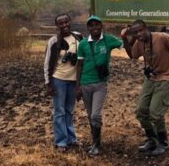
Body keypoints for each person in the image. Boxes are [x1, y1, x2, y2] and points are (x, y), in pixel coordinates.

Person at [121, 20, 169, 156]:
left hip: (167, 76)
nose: (139, 34)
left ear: (146, 28)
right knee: (141, 111)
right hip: (151, 77)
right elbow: (132, 56)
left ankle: (163, 143)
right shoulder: (139, 42)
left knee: (155, 113)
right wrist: (124, 38)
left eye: (140, 31)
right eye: (135, 32)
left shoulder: (161, 37)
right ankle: (152, 139)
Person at [76, 15, 123, 156]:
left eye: (97, 25)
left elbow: (124, 44)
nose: (94, 28)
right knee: (91, 115)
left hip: (100, 84)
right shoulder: (83, 44)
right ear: (88, 28)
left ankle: (96, 145)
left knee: (96, 114)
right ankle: (96, 142)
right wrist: (77, 86)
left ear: (101, 26)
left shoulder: (108, 40)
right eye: (91, 25)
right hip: (85, 83)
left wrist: (126, 34)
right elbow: (79, 65)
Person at [44, 13, 83, 152]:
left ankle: (71, 139)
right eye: (61, 23)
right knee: (59, 111)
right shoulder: (54, 41)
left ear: (70, 22)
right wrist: (48, 83)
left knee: (69, 111)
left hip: (73, 81)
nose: (64, 25)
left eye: (66, 22)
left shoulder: (78, 37)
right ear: (57, 25)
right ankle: (61, 142)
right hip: (58, 79)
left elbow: (83, 60)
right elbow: (48, 62)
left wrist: (81, 83)